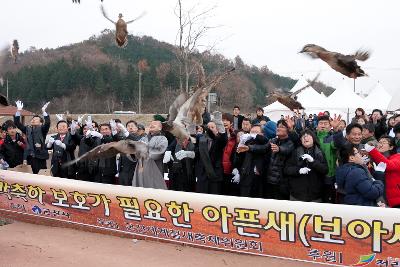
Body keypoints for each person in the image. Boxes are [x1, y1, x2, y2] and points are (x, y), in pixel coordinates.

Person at [285, 130, 328, 202]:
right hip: (296, 195)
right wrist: (298, 170)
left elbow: (325, 170)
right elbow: (287, 169)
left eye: (308, 135)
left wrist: (313, 162)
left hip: (315, 196)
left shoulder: (319, 152)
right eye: (303, 136)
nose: (305, 138)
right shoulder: (295, 152)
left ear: (313, 138)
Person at [14, 100, 50, 174]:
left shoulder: (42, 129)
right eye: (33, 119)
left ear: (41, 123)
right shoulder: (28, 129)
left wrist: (44, 111)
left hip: (40, 158)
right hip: (30, 157)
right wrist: (18, 111)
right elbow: (17, 123)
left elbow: (48, 123)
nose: (33, 120)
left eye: (36, 119)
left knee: (41, 177)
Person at [195, 113, 227, 194]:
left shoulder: (220, 139)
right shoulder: (201, 140)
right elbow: (197, 154)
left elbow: (223, 137)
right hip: (202, 174)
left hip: (214, 173)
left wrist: (219, 122)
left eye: (212, 127)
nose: (210, 129)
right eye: (208, 127)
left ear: (217, 129)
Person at [365, 136, 400, 208]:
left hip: (396, 200)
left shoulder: (397, 157)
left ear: (391, 147)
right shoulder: (373, 159)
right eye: (379, 142)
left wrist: (372, 150)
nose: (380, 144)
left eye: (384, 142)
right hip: (379, 198)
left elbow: (388, 165)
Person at [132, 120, 168, 189]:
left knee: (154, 188)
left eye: (155, 124)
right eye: (151, 124)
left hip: (154, 168)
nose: (151, 125)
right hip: (141, 167)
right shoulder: (143, 138)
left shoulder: (163, 139)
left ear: (160, 128)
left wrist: (145, 149)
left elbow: (159, 152)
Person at [235, 125, 269, 198]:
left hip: (260, 178)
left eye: (256, 132)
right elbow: (238, 161)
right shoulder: (245, 143)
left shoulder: (266, 143)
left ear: (262, 134)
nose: (253, 134)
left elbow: (261, 148)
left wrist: (249, 147)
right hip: (246, 177)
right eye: (252, 132)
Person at [265, 119, 294, 200]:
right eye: (277, 127)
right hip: (269, 180)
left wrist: (279, 149)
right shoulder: (273, 140)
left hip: (282, 183)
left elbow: (286, 149)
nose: (278, 128)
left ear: (287, 130)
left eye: (282, 127)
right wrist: (249, 147)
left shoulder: (290, 142)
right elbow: (263, 148)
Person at [118, 120, 141, 186]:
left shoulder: (139, 138)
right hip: (122, 169)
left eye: (132, 126)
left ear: (137, 128)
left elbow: (135, 141)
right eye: (128, 126)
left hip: (133, 169)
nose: (130, 128)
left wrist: (126, 132)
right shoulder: (123, 138)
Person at [221, 113, 238, 196]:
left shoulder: (235, 135)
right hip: (218, 169)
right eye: (223, 120)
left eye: (227, 120)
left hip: (230, 169)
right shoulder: (217, 134)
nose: (224, 122)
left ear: (231, 123)